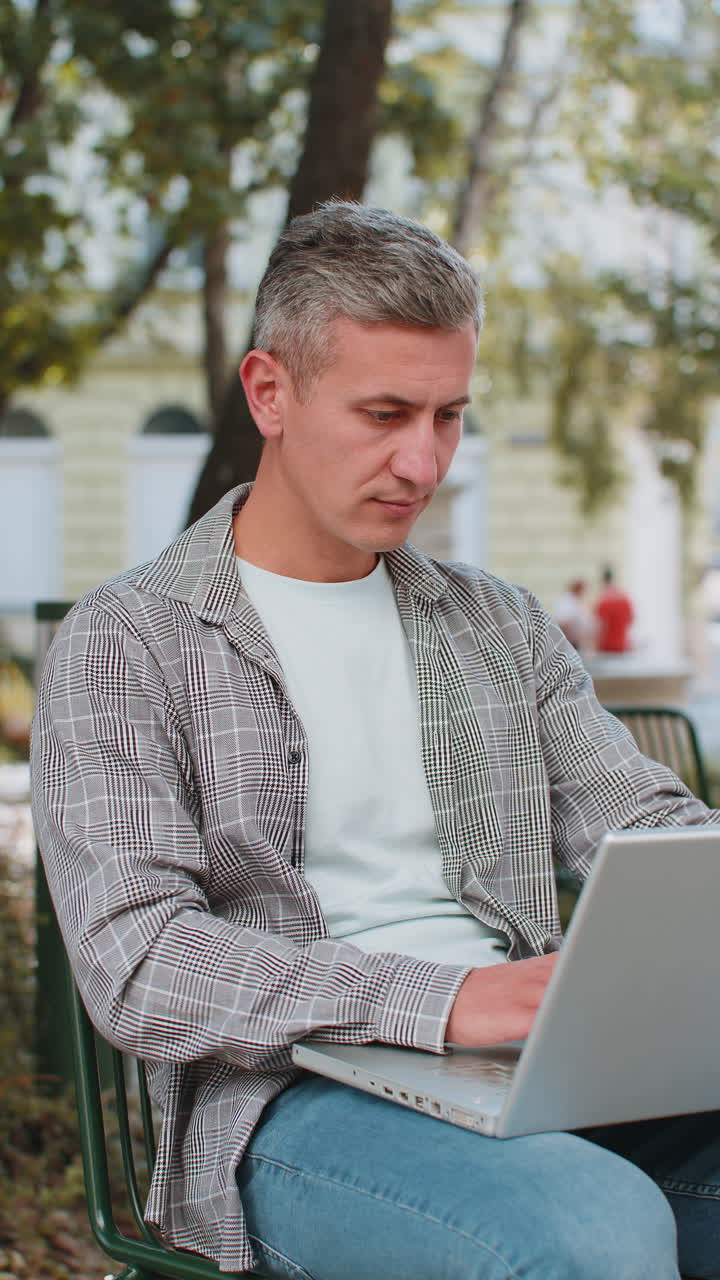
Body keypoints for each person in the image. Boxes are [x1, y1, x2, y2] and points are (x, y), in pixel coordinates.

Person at [31, 201, 720, 1280]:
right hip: (297, 1102)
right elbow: (142, 959)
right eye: (387, 412)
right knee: (590, 1232)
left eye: (450, 415)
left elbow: (646, 824)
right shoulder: (129, 640)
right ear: (271, 391)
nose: (425, 459)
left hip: (531, 1069)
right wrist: (441, 999)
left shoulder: (496, 621)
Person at [594, 566, 635, 653]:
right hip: (623, 645)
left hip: (607, 647)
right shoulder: (624, 597)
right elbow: (631, 620)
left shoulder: (603, 600)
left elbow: (600, 626)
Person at [553, 578, 594, 651]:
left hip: (574, 640)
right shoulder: (567, 601)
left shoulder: (575, 601)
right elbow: (563, 621)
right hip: (567, 640)